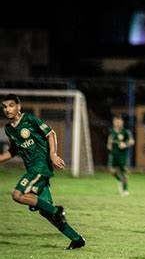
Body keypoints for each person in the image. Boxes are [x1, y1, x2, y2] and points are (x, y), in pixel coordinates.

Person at [0, 94, 85, 250]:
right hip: (33, 169)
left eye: (11, 105)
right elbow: (13, 151)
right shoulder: (8, 129)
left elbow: (50, 133)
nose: (7, 109)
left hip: (40, 167)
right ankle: (76, 238)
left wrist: (53, 154)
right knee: (46, 213)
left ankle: (57, 210)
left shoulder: (30, 120)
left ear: (19, 106)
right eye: (4, 106)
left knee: (17, 195)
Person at [107, 114, 135, 196]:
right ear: (113, 122)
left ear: (122, 122)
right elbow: (110, 140)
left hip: (122, 155)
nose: (117, 123)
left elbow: (132, 141)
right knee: (112, 171)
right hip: (113, 155)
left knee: (124, 172)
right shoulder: (111, 131)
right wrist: (109, 145)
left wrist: (125, 144)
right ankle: (120, 180)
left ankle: (125, 189)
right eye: (116, 121)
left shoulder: (126, 132)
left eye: (119, 122)